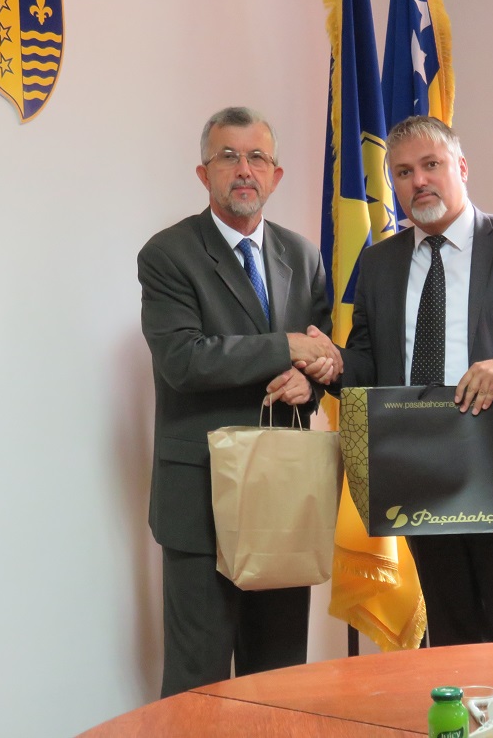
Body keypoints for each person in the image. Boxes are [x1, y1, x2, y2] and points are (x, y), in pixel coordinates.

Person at [328, 115, 493, 645]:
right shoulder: (379, 263)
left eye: (431, 165)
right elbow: (368, 363)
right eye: (403, 172)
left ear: (462, 168)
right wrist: (331, 364)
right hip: (424, 482)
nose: (419, 181)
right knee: (452, 652)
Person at [138, 106, 342, 697]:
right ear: (204, 174)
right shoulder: (168, 254)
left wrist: (310, 382)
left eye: (257, 157)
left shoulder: (303, 255)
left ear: (276, 175)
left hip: (283, 498)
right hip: (199, 501)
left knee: (278, 680)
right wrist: (287, 348)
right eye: (228, 156)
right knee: (197, 684)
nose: (244, 169)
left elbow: (323, 352)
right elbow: (183, 360)